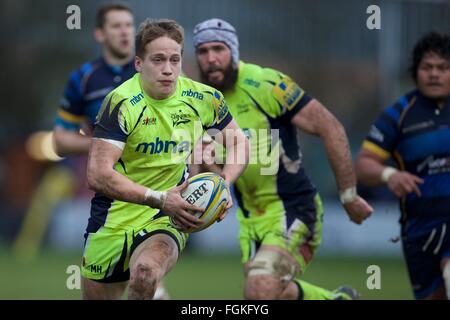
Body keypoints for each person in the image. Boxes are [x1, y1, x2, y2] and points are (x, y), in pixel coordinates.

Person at [192, 18, 373, 300]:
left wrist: (349, 195)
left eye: (218, 48)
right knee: (273, 292)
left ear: (234, 51)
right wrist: (205, 164)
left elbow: (331, 127)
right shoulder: (202, 102)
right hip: (250, 218)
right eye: (202, 51)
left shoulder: (266, 84)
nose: (211, 59)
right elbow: (220, 172)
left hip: (294, 208)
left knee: (260, 288)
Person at [82, 19, 249, 300]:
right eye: (158, 60)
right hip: (112, 220)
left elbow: (240, 143)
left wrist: (225, 184)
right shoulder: (120, 103)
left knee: (146, 274)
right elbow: (98, 174)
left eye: (175, 59)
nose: (168, 69)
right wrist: (160, 197)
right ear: (138, 63)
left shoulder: (204, 98)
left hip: (167, 217)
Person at [52, 3, 171, 299]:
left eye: (129, 26)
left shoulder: (155, 71)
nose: (125, 32)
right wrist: (105, 144)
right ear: (100, 34)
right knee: (100, 289)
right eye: (116, 26)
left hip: (155, 192)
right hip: (110, 199)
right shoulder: (85, 79)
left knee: (146, 277)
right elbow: (59, 141)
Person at [356, 31, 450, 300]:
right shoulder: (399, 114)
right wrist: (389, 175)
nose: (434, 74)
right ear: (415, 71)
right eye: (427, 68)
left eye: (443, 68)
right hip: (420, 228)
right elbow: (364, 165)